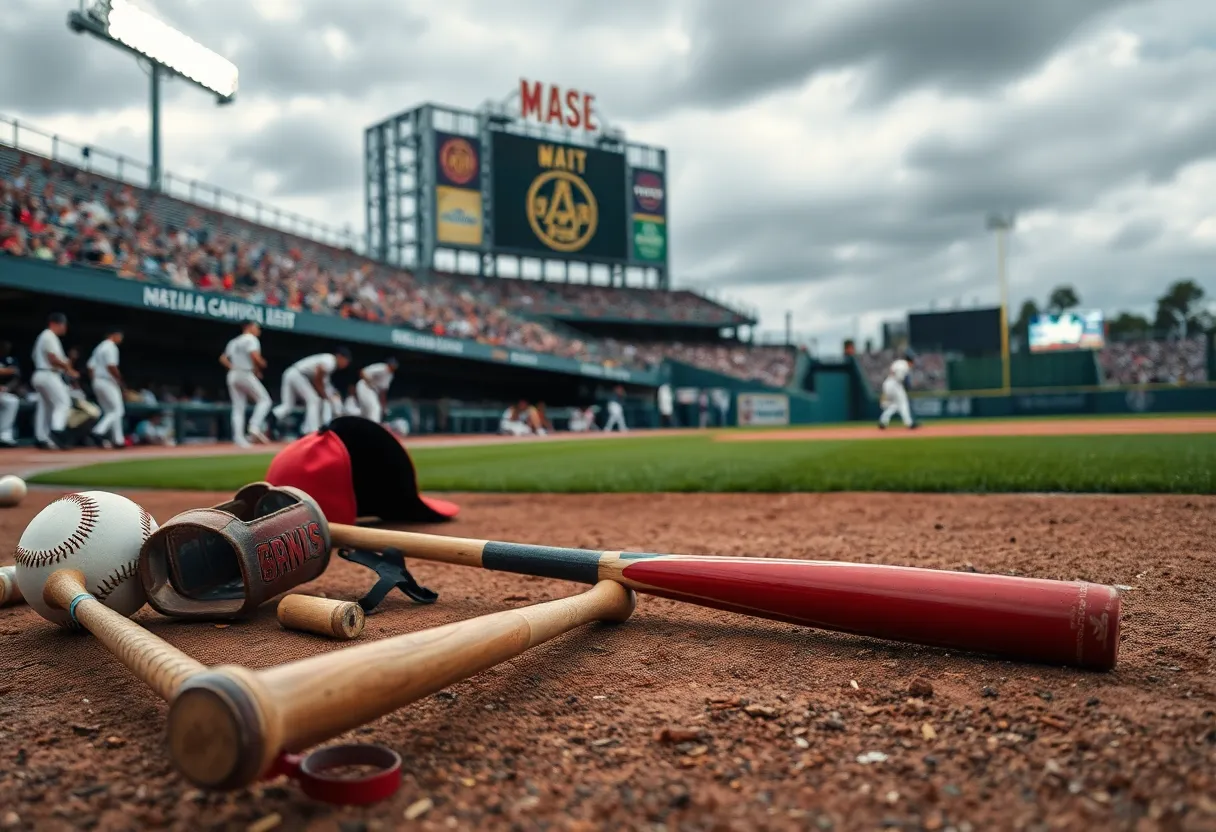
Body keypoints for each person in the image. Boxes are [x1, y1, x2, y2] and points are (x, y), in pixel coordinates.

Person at [273, 347, 352, 435]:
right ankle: (311, 431)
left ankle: (272, 418)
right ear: (340, 357)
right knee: (313, 400)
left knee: (288, 405)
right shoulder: (330, 361)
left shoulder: (328, 361)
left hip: (292, 373)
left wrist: (327, 394)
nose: (346, 364)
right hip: (298, 375)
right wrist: (323, 394)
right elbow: (318, 378)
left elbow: (324, 383)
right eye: (346, 361)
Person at [220, 322, 272, 447]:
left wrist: (234, 367)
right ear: (248, 327)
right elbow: (254, 356)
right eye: (256, 327)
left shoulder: (234, 341)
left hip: (233, 374)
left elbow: (223, 358)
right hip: (244, 373)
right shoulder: (251, 339)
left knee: (238, 407)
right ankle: (254, 426)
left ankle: (239, 438)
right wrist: (261, 364)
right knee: (265, 400)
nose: (258, 330)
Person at [31, 312, 77, 450]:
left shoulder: (46, 336)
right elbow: (53, 358)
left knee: (45, 407)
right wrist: (69, 369)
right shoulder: (48, 336)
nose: (64, 328)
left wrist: (69, 363)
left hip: (41, 374)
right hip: (48, 374)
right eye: (62, 324)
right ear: (53, 323)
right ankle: (57, 432)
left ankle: (41, 437)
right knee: (63, 402)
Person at [87, 328, 126, 448]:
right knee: (118, 411)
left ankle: (118, 440)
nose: (121, 339)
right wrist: (120, 380)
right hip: (107, 381)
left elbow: (90, 366)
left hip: (97, 381)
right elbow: (111, 366)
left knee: (111, 411)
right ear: (114, 335)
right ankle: (98, 431)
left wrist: (95, 380)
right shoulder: (110, 346)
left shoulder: (99, 348)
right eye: (120, 336)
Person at [878, 353, 918, 430]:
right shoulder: (905, 366)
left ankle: (883, 421)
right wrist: (908, 387)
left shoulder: (898, 362)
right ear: (910, 361)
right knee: (903, 403)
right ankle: (909, 423)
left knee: (894, 405)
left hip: (887, 384)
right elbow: (901, 378)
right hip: (896, 384)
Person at [356, 357, 398, 424]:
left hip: (372, 391)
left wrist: (383, 406)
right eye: (392, 364)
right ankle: (373, 429)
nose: (393, 366)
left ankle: (363, 429)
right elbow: (362, 372)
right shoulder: (381, 367)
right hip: (364, 386)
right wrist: (369, 382)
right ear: (388, 364)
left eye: (394, 365)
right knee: (375, 408)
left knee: (367, 411)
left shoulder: (390, 375)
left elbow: (383, 392)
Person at [0, 340, 20, 447]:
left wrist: (7, 387)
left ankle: (5, 435)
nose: (5, 349)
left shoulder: (11, 360)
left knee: (12, 401)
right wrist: (6, 371)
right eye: (3, 346)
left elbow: (16, 375)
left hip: (3, 392)